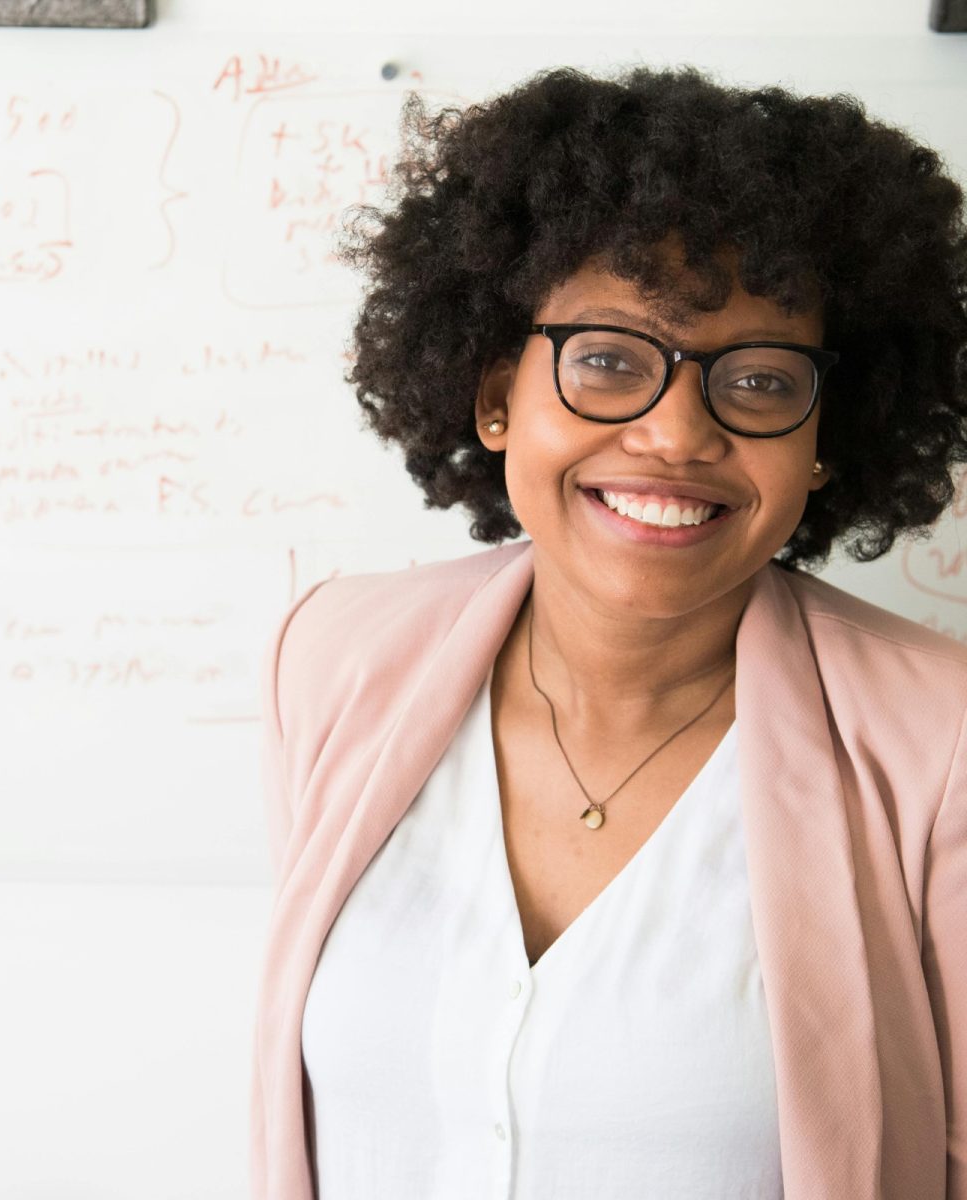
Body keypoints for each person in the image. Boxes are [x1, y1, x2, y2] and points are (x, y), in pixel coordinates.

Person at [249, 65, 967, 1200]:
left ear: (828, 438)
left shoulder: (944, 744)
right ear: (496, 395)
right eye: (609, 361)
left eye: (762, 380)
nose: (675, 435)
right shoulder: (335, 658)